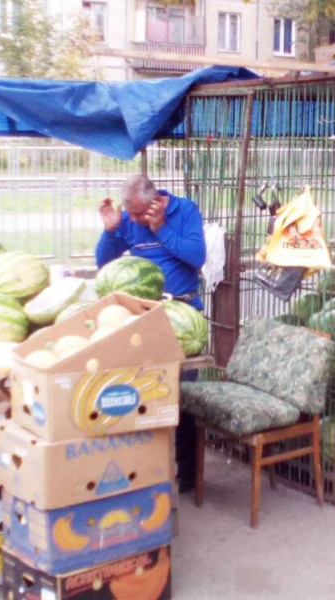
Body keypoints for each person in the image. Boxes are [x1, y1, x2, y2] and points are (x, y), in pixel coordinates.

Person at [96, 174, 206, 493]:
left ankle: (187, 475)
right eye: (129, 214)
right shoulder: (129, 220)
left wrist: (162, 230)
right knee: (144, 395)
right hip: (143, 317)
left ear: (156, 200)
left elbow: (197, 256)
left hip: (182, 315)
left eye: (138, 214)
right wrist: (112, 229)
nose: (134, 220)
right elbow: (105, 263)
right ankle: (146, 473)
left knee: (183, 398)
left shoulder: (185, 212)